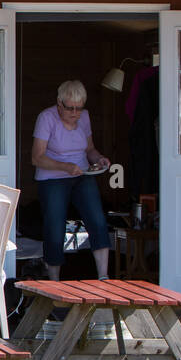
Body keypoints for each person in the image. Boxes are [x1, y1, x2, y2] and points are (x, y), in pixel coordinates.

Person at [31, 79, 112, 280]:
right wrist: (66, 167)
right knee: (55, 225)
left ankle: (104, 276)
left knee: (97, 219)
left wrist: (99, 159)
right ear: (59, 103)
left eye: (79, 108)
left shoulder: (84, 117)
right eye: (70, 109)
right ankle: (54, 280)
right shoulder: (46, 118)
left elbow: (89, 149)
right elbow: (37, 157)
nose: (75, 113)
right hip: (52, 177)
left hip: (82, 174)